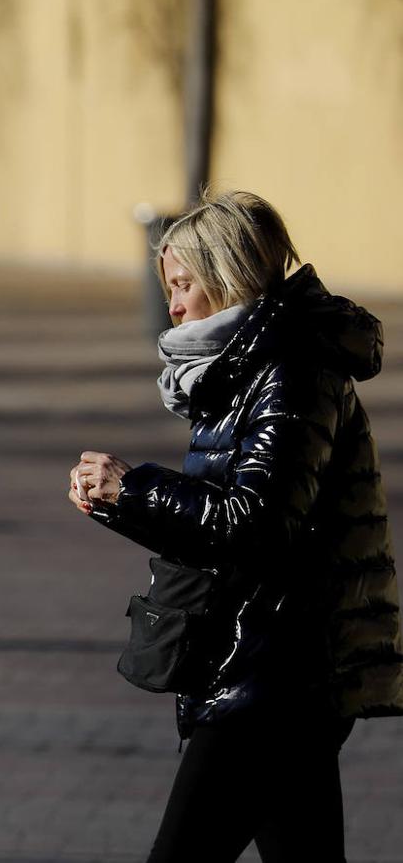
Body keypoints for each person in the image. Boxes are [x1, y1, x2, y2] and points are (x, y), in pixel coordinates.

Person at [68, 191, 403, 863]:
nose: (175, 306)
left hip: (271, 676)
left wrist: (134, 487)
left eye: (186, 284)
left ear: (230, 279)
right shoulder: (253, 371)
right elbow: (235, 522)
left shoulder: (291, 374)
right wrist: (119, 502)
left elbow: (257, 526)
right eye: (170, 287)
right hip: (279, 670)